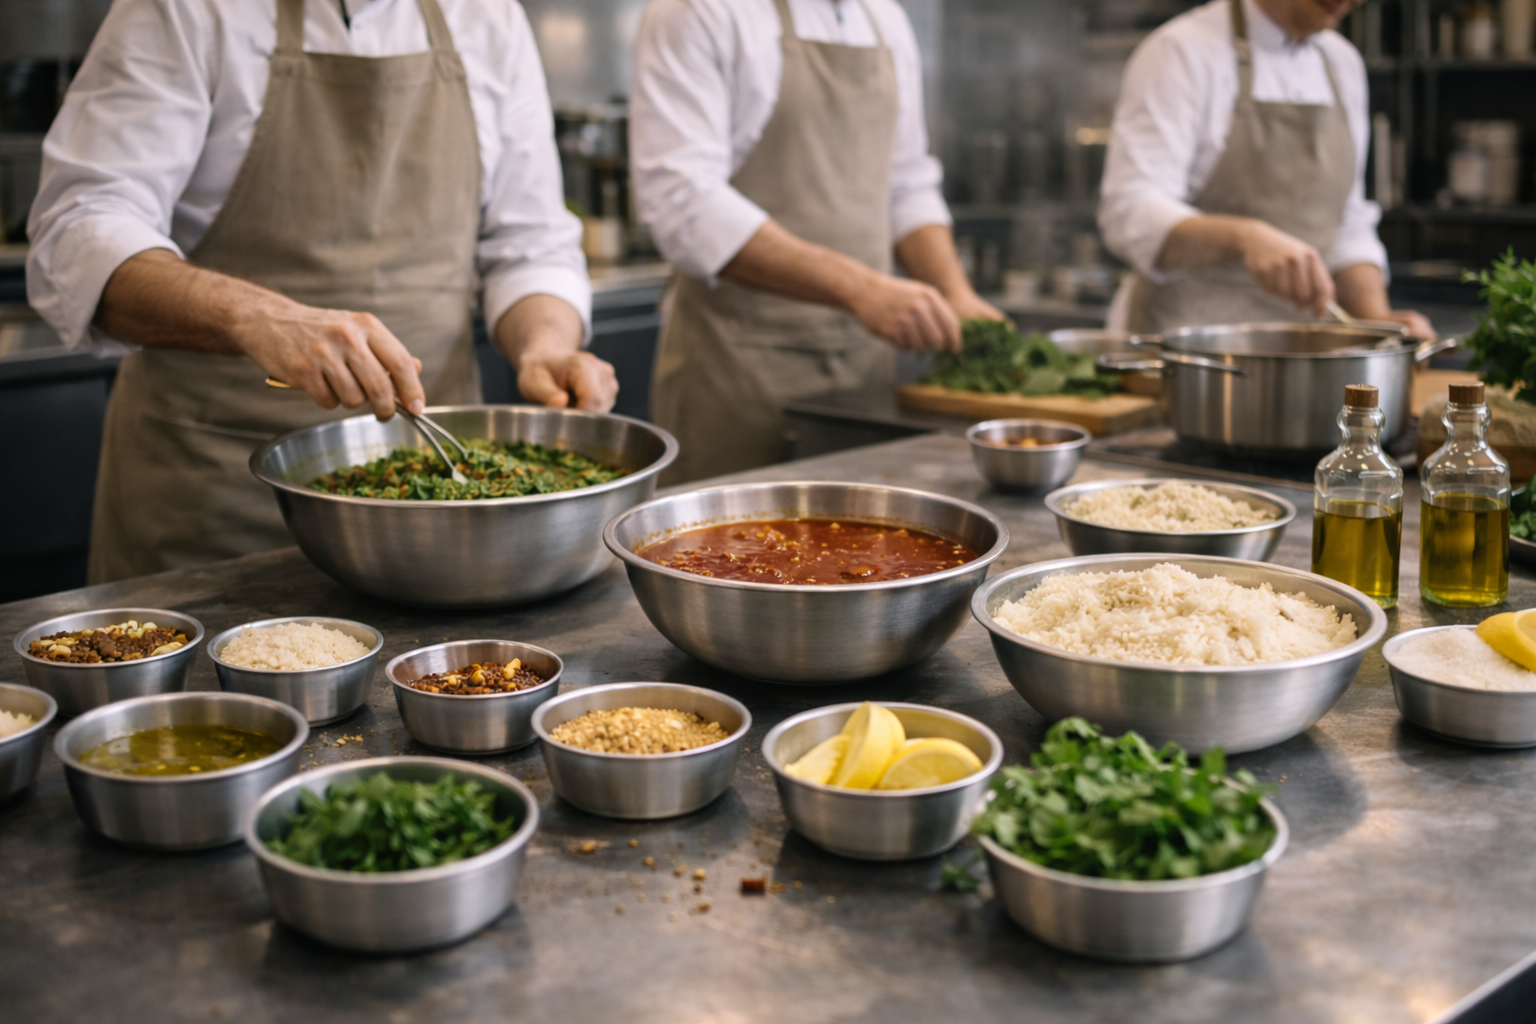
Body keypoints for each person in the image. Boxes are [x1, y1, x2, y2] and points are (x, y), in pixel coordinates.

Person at [26, 0, 618, 584]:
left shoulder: (487, 17)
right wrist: (258, 317)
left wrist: (544, 346)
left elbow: (530, 242)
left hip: (436, 511)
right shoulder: (185, 10)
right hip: (214, 502)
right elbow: (77, 232)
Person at [630, 0, 1001, 483]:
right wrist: (860, 289)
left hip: (865, 374)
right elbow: (683, 203)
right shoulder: (699, 11)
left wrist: (955, 292)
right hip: (738, 370)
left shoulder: (882, 17)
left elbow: (906, 181)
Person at [1098, 0, 1434, 338]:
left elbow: (1346, 223)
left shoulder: (1342, 62)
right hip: (1187, 355)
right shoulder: (1181, 52)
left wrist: (1377, 320)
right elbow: (1130, 211)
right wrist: (1245, 238)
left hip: (1303, 356)